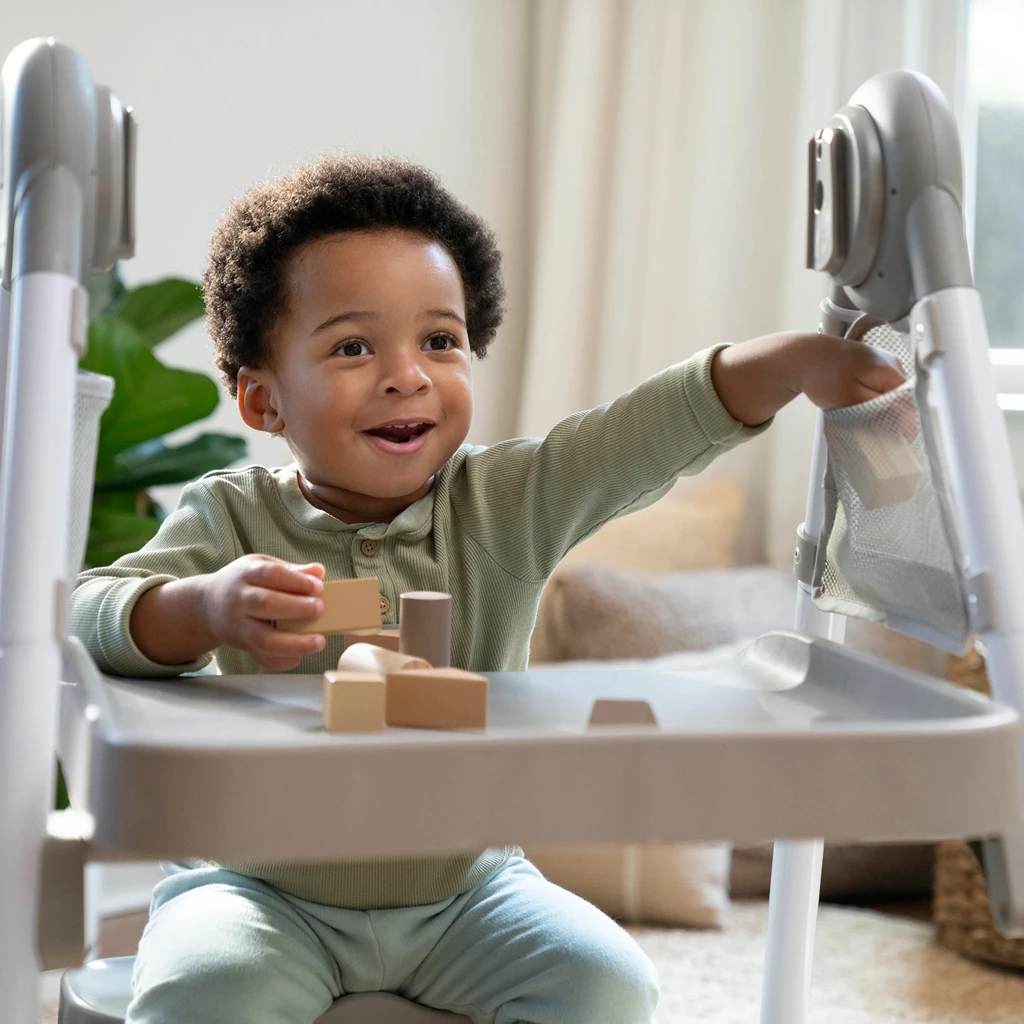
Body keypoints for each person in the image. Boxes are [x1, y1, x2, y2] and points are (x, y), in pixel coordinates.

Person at [71, 156, 905, 1024]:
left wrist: (794, 363)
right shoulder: (230, 517)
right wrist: (202, 607)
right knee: (207, 986)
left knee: (607, 982)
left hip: (466, 891)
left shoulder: (507, 503)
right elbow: (87, 610)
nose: (407, 375)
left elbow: (645, 432)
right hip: (260, 888)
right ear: (262, 401)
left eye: (440, 341)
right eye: (353, 347)